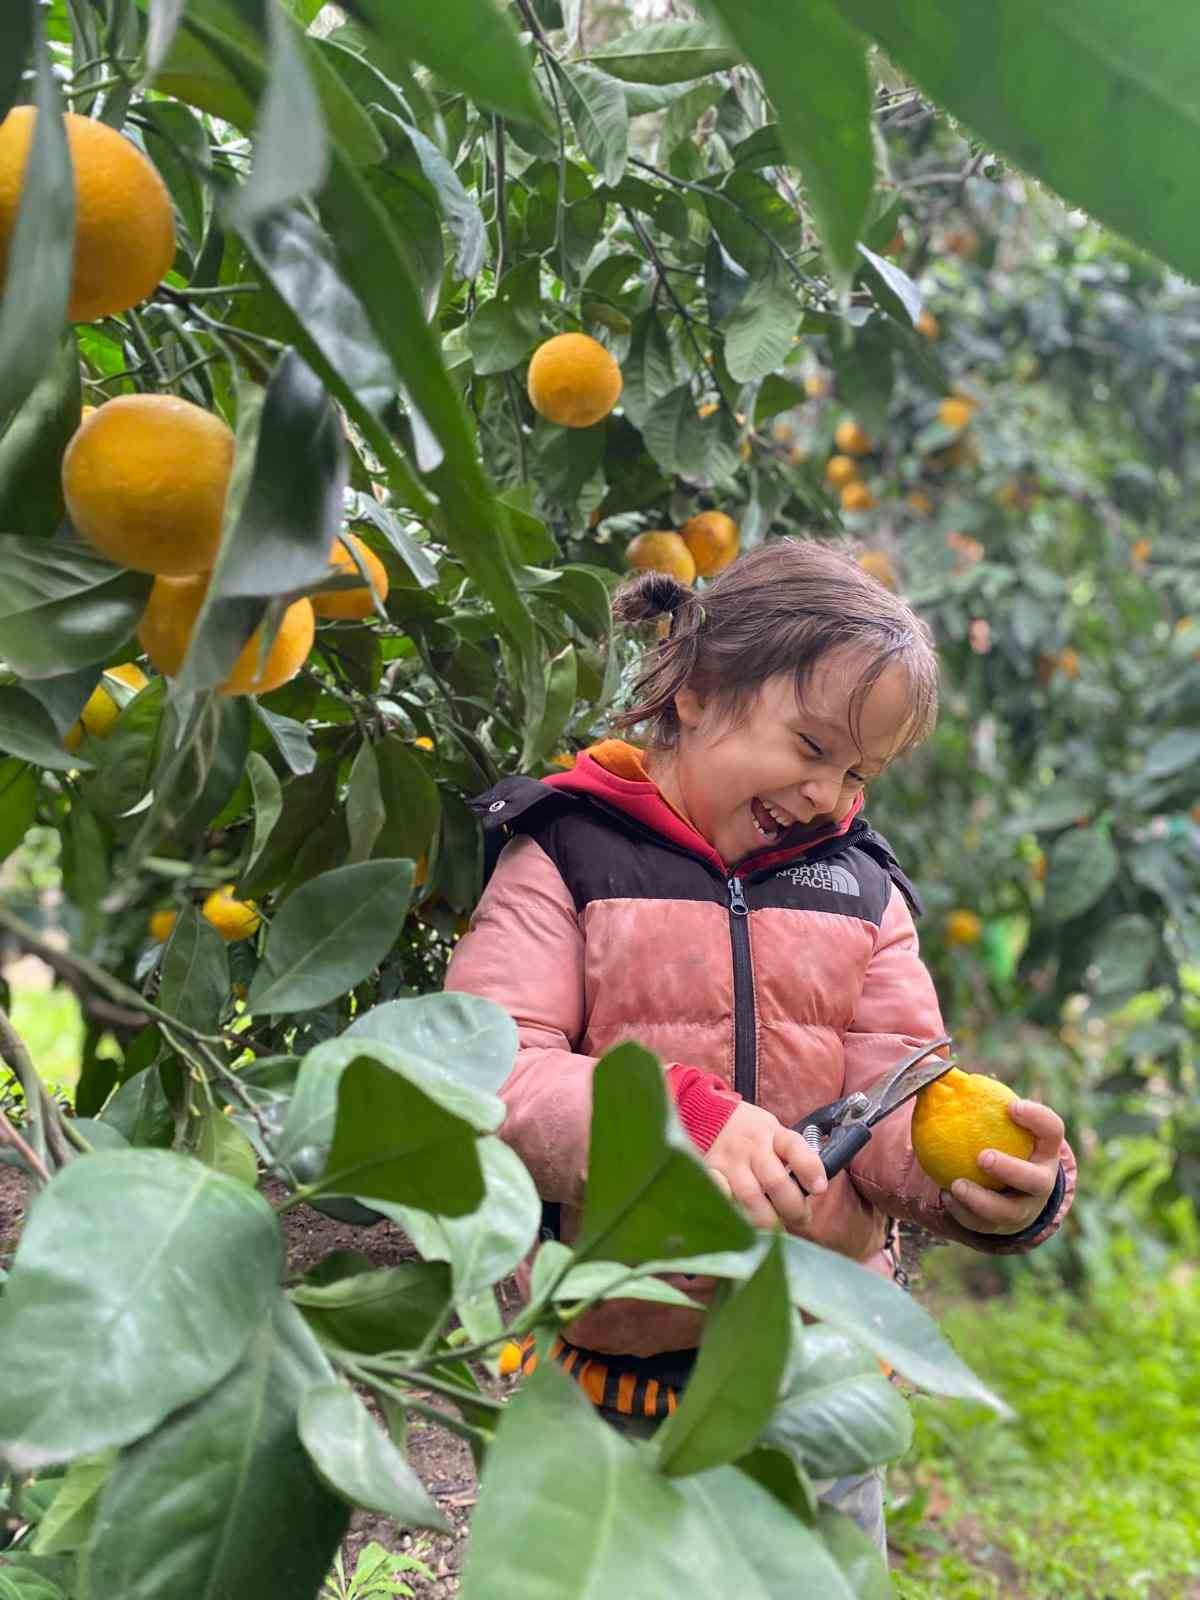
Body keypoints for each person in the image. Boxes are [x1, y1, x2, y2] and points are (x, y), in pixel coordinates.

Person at [444, 538, 1076, 1553]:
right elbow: (488, 1069)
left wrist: (1001, 1181)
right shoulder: (567, 849)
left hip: (812, 1371)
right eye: (812, 747)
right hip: (619, 1374)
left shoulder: (862, 891)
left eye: (858, 770)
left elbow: (899, 1091)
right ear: (696, 689)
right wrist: (679, 1121)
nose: (829, 794)